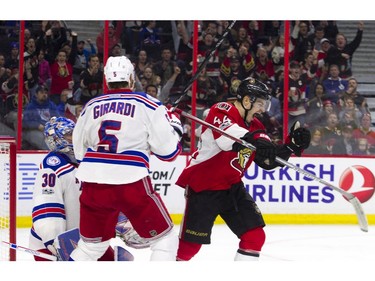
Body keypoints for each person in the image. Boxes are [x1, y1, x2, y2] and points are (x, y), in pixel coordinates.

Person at [175, 77, 311, 261]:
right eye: (260, 104)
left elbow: (267, 161)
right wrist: (256, 139)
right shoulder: (222, 110)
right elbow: (226, 140)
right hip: (204, 187)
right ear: (247, 100)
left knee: (254, 237)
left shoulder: (257, 126)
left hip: (232, 189)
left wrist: (289, 148)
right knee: (189, 248)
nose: (263, 109)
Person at [69, 55, 183, 261]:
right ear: (131, 79)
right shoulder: (147, 103)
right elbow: (168, 154)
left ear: (106, 80)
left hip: (93, 184)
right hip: (131, 183)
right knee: (164, 240)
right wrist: (174, 128)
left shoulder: (91, 105)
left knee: (90, 248)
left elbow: (78, 152)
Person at [28, 116, 145, 261]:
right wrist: (53, 240)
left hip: (82, 240)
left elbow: (103, 200)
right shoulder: (52, 167)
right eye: (69, 134)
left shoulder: (85, 163)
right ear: (55, 139)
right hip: (52, 246)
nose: (75, 137)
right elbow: (47, 206)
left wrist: (120, 222)